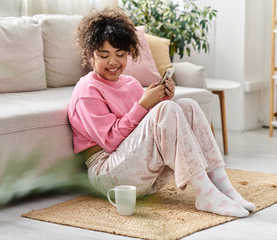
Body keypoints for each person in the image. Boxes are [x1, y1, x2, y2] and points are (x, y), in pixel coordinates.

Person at [68, 8, 255, 217]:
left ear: (129, 53)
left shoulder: (130, 83)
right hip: (109, 176)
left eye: (120, 54)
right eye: (104, 55)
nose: (113, 62)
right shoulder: (87, 90)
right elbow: (111, 142)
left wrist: (162, 96)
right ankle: (205, 193)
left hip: (143, 174)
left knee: (187, 106)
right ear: (89, 55)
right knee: (167, 109)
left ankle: (223, 186)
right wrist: (144, 105)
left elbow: (151, 126)